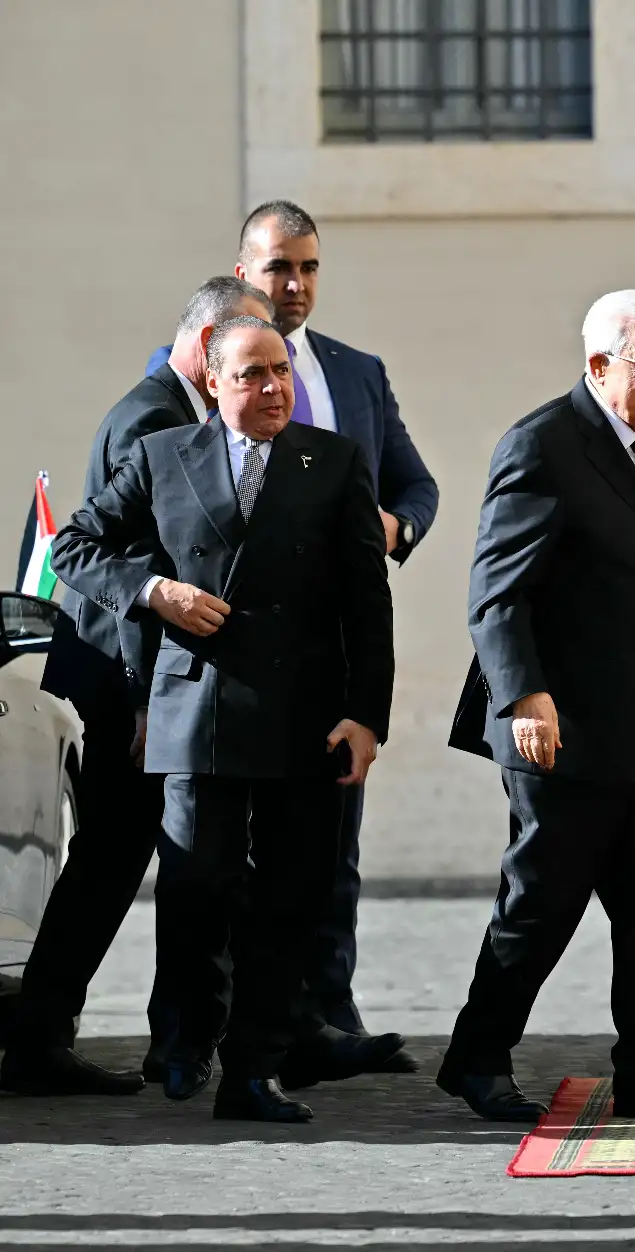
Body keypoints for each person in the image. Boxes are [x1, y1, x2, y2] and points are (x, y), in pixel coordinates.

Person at [49, 315, 394, 1122]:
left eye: (282, 372)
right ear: (212, 380)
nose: (275, 388)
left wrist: (366, 717)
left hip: (303, 714)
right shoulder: (162, 456)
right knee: (197, 883)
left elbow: (366, 602)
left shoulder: (332, 462)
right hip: (196, 706)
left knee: (288, 896)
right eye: (252, 374)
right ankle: (184, 1039)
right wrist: (154, 591)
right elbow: (75, 545)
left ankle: (255, 1071)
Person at [148, 200, 438, 1054]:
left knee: (323, 858)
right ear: (244, 273)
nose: (297, 284)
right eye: (280, 267)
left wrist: (392, 528)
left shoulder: (355, 372)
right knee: (207, 870)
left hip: (321, 659)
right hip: (217, 676)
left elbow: (415, 486)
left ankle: (323, 1018)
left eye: (310, 267)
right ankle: (202, 1032)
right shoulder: (187, 386)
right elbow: (146, 523)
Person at [440, 291, 635, 1123]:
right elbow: (497, 592)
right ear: (599, 365)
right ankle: (478, 1059)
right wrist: (524, 695)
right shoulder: (543, 445)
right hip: (560, 730)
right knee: (541, 905)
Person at [0, 277, 272, 1098]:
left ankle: (86, 1036)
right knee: (121, 858)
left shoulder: (170, 407)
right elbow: (129, 564)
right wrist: (149, 702)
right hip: (128, 680)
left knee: (124, 857)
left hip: (136, 679)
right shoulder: (155, 418)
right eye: (245, 355)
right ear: (209, 345)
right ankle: (56, 1038)